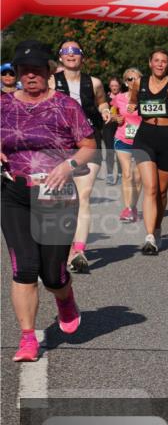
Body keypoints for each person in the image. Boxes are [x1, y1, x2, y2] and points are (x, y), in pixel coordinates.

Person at [1, 40, 96, 362]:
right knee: (24, 268)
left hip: (56, 195)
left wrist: (68, 166)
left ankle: (64, 297)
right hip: (14, 193)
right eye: (24, 70)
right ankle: (28, 338)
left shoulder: (65, 106)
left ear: (49, 72)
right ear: (17, 73)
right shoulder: (3, 105)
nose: (30, 76)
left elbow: (88, 146)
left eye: (37, 70)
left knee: (52, 274)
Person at [51, 40, 111, 274]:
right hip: (59, 145)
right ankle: (62, 248)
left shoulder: (94, 82)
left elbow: (102, 101)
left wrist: (105, 110)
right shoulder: (50, 81)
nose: (71, 55)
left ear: (82, 56)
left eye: (75, 51)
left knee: (83, 196)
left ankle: (78, 252)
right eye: (66, 52)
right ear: (60, 57)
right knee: (61, 200)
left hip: (88, 142)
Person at [128, 49, 168, 255]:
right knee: (151, 188)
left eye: (164, 61)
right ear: (150, 63)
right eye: (156, 60)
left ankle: (157, 228)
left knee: (161, 192)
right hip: (145, 137)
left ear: (167, 64)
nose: (160, 64)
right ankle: (148, 237)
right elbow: (133, 101)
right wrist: (131, 107)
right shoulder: (139, 82)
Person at [110, 68, 143, 223]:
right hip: (122, 139)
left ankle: (133, 206)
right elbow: (112, 112)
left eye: (137, 78)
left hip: (142, 140)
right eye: (130, 79)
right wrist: (115, 118)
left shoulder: (145, 99)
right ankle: (128, 209)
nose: (133, 81)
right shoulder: (119, 98)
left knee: (138, 176)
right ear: (125, 82)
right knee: (127, 173)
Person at [102, 77, 122, 185]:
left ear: (120, 86)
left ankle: (120, 175)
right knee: (110, 151)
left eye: (116, 85)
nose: (114, 88)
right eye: (112, 86)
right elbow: (102, 112)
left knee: (120, 152)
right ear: (109, 86)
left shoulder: (124, 97)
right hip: (108, 128)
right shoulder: (105, 99)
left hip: (121, 127)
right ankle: (110, 175)